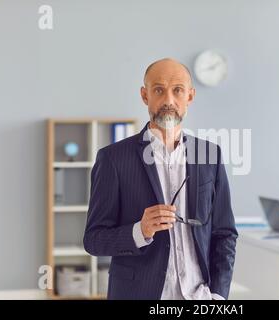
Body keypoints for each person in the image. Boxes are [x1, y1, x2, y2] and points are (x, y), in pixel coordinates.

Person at [83, 58, 237, 300]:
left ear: (190, 96)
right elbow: (94, 240)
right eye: (158, 90)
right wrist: (139, 230)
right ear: (145, 96)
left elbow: (225, 234)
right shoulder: (112, 159)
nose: (168, 100)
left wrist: (218, 295)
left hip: (200, 297)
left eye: (177, 90)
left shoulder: (210, 155)